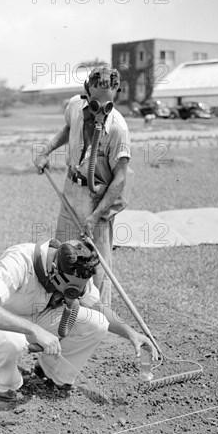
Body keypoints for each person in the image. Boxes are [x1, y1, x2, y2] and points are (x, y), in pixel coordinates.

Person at [0, 238, 158, 401]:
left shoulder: (77, 269)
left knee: (97, 323)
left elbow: (97, 306)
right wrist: (33, 330)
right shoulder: (20, 260)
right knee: (11, 341)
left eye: (79, 290)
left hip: (38, 318)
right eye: (71, 291)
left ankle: (52, 373)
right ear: (54, 270)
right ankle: (6, 386)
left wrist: (131, 333)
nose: (76, 294)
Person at [34, 66, 132, 307]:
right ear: (87, 91)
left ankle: (100, 314)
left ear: (115, 96)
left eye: (108, 103)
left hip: (97, 198)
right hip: (71, 189)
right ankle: (61, 305)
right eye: (96, 102)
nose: (102, 110)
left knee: (96, 261)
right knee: (64, 252)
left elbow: (120, 179)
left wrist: (96, 216)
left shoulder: (118, 128)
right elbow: (69, 128)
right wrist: (46, 151)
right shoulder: (75, 106)